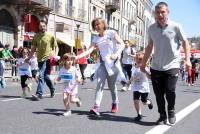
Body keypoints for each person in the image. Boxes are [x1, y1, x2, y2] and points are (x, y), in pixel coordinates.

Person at [140, 2, 191, 125]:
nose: (160, 14)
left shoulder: (176, 26)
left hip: (172, 65)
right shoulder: (151, 28)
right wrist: (143, 63)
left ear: (168, 12)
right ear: (155, 14)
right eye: (157, 12)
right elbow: (149, 46)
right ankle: (162, 115)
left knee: (170, 90)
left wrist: (187, 59)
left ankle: (171, 110)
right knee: (158, 94)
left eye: (163, 12)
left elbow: (185, 42)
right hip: (156, 66)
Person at [75, 18, 125, 115]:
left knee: (111, 86)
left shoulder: (111, 33)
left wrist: (117, 53)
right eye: (95, 25)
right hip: (102, 64)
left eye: (98, 24)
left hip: (113, 64)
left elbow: (122, 44)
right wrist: (77, 56)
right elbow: (89, 50)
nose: (96, 27)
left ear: (103, 24)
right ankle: (96, 107)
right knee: (99, 84)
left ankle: (115, 102)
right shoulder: (96, 38)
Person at [30, 20, 58, 100]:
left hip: (47, 58)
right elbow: (33, 49)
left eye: (43, 26)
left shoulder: (50, 36)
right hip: (39, 59)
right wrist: (29, 58)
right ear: (38, 27)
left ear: (46, 27)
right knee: (45, 76)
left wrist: (54, 55)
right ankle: (52, 89)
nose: (42, 27)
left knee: (41, 75)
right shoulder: (36, 36)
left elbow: (56, 46)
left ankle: (39, 94)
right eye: (40, 26)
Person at [128, 52, 153, 121]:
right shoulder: (133, 68)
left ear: (144, 60)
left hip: (143, 87)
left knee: (144, 102)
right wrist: (129, 82)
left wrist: (145, 71)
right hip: (136, 87)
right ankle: (139, 114)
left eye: (141, 59)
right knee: (135, 100)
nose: (138, 60)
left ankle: (149, 102)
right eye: (137, 59)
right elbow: (132, 76)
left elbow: (150, 77)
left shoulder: (145, 67)